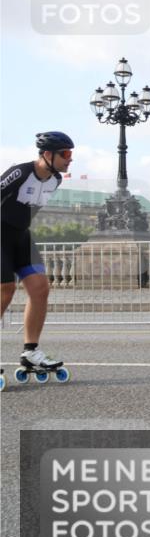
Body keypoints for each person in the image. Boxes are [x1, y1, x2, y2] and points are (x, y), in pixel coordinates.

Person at [1, 132, 75, 390]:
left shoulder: (55, 180)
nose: (70, 159)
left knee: (40, 288)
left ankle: (30, 351)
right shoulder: (19, 172)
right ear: (47, 154)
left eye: (71, 154)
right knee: (5, 290)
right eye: (65, 154)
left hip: (21, 236)